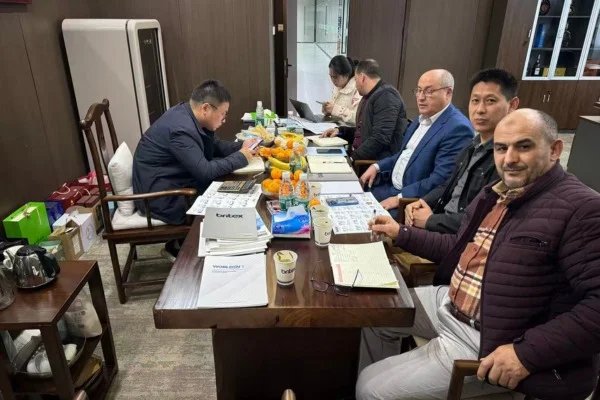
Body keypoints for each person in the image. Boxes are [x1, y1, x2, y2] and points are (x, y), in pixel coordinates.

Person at [358, 109, 600, 400]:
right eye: (501, 148)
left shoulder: (582, 208)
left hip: (487, 337)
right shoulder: (496, 194)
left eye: (524, 146)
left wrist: (525, 354)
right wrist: (401, 233)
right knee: (375, 311)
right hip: (450, 302)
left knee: (369, 389)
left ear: (555, 150)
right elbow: (456, 247)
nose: (509, 159)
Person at [404, 68, 519, 233]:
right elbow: (448, 185)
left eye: (490, 101)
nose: (480, 109)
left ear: (512, 105)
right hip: (440, 222)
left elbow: (484, 218)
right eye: (475, 100)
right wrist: (423, 201)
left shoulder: (508, 157)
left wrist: (430, 221)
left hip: (458, 237)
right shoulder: (472, 145)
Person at [132, 79, 258, 226]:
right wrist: (241, 157)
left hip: (175, 180)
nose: (224, 120)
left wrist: (241, 146)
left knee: (231, 186)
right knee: (229, 202)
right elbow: (205, 171)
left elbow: (215, 145)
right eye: (223, 114)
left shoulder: (189, 114)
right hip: (163, 198)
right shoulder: (180, 130)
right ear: (206, 108)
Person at [359, 69, 473, 211]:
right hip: (387, 186)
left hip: (409, 202)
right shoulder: (420, 119)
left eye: (429, 91)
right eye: (418, 90)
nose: (421, 97)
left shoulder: (457, 128)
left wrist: (399, 198)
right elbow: (403, 155)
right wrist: (377, 166)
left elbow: (440, 180)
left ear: (448, 92)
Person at [320, 59, 408, 161]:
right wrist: (340, 131)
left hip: (371, 163)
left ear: (362, 78)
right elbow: (363, 131)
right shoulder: (370, 96)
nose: (355, 85)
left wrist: (352, 159)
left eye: (355, 80)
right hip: (359, 155)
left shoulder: (386, 97)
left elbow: (379, 139)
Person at [321, 55, 361, 124]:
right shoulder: (338, 86)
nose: (332, 80)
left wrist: (335, 109)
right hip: (335, 126)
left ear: (346, 75)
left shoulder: (358, 88)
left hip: (349, 129)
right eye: (331, 76)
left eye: (335, 77)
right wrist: (327, 110)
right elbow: (334, 112)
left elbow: (358, 118)